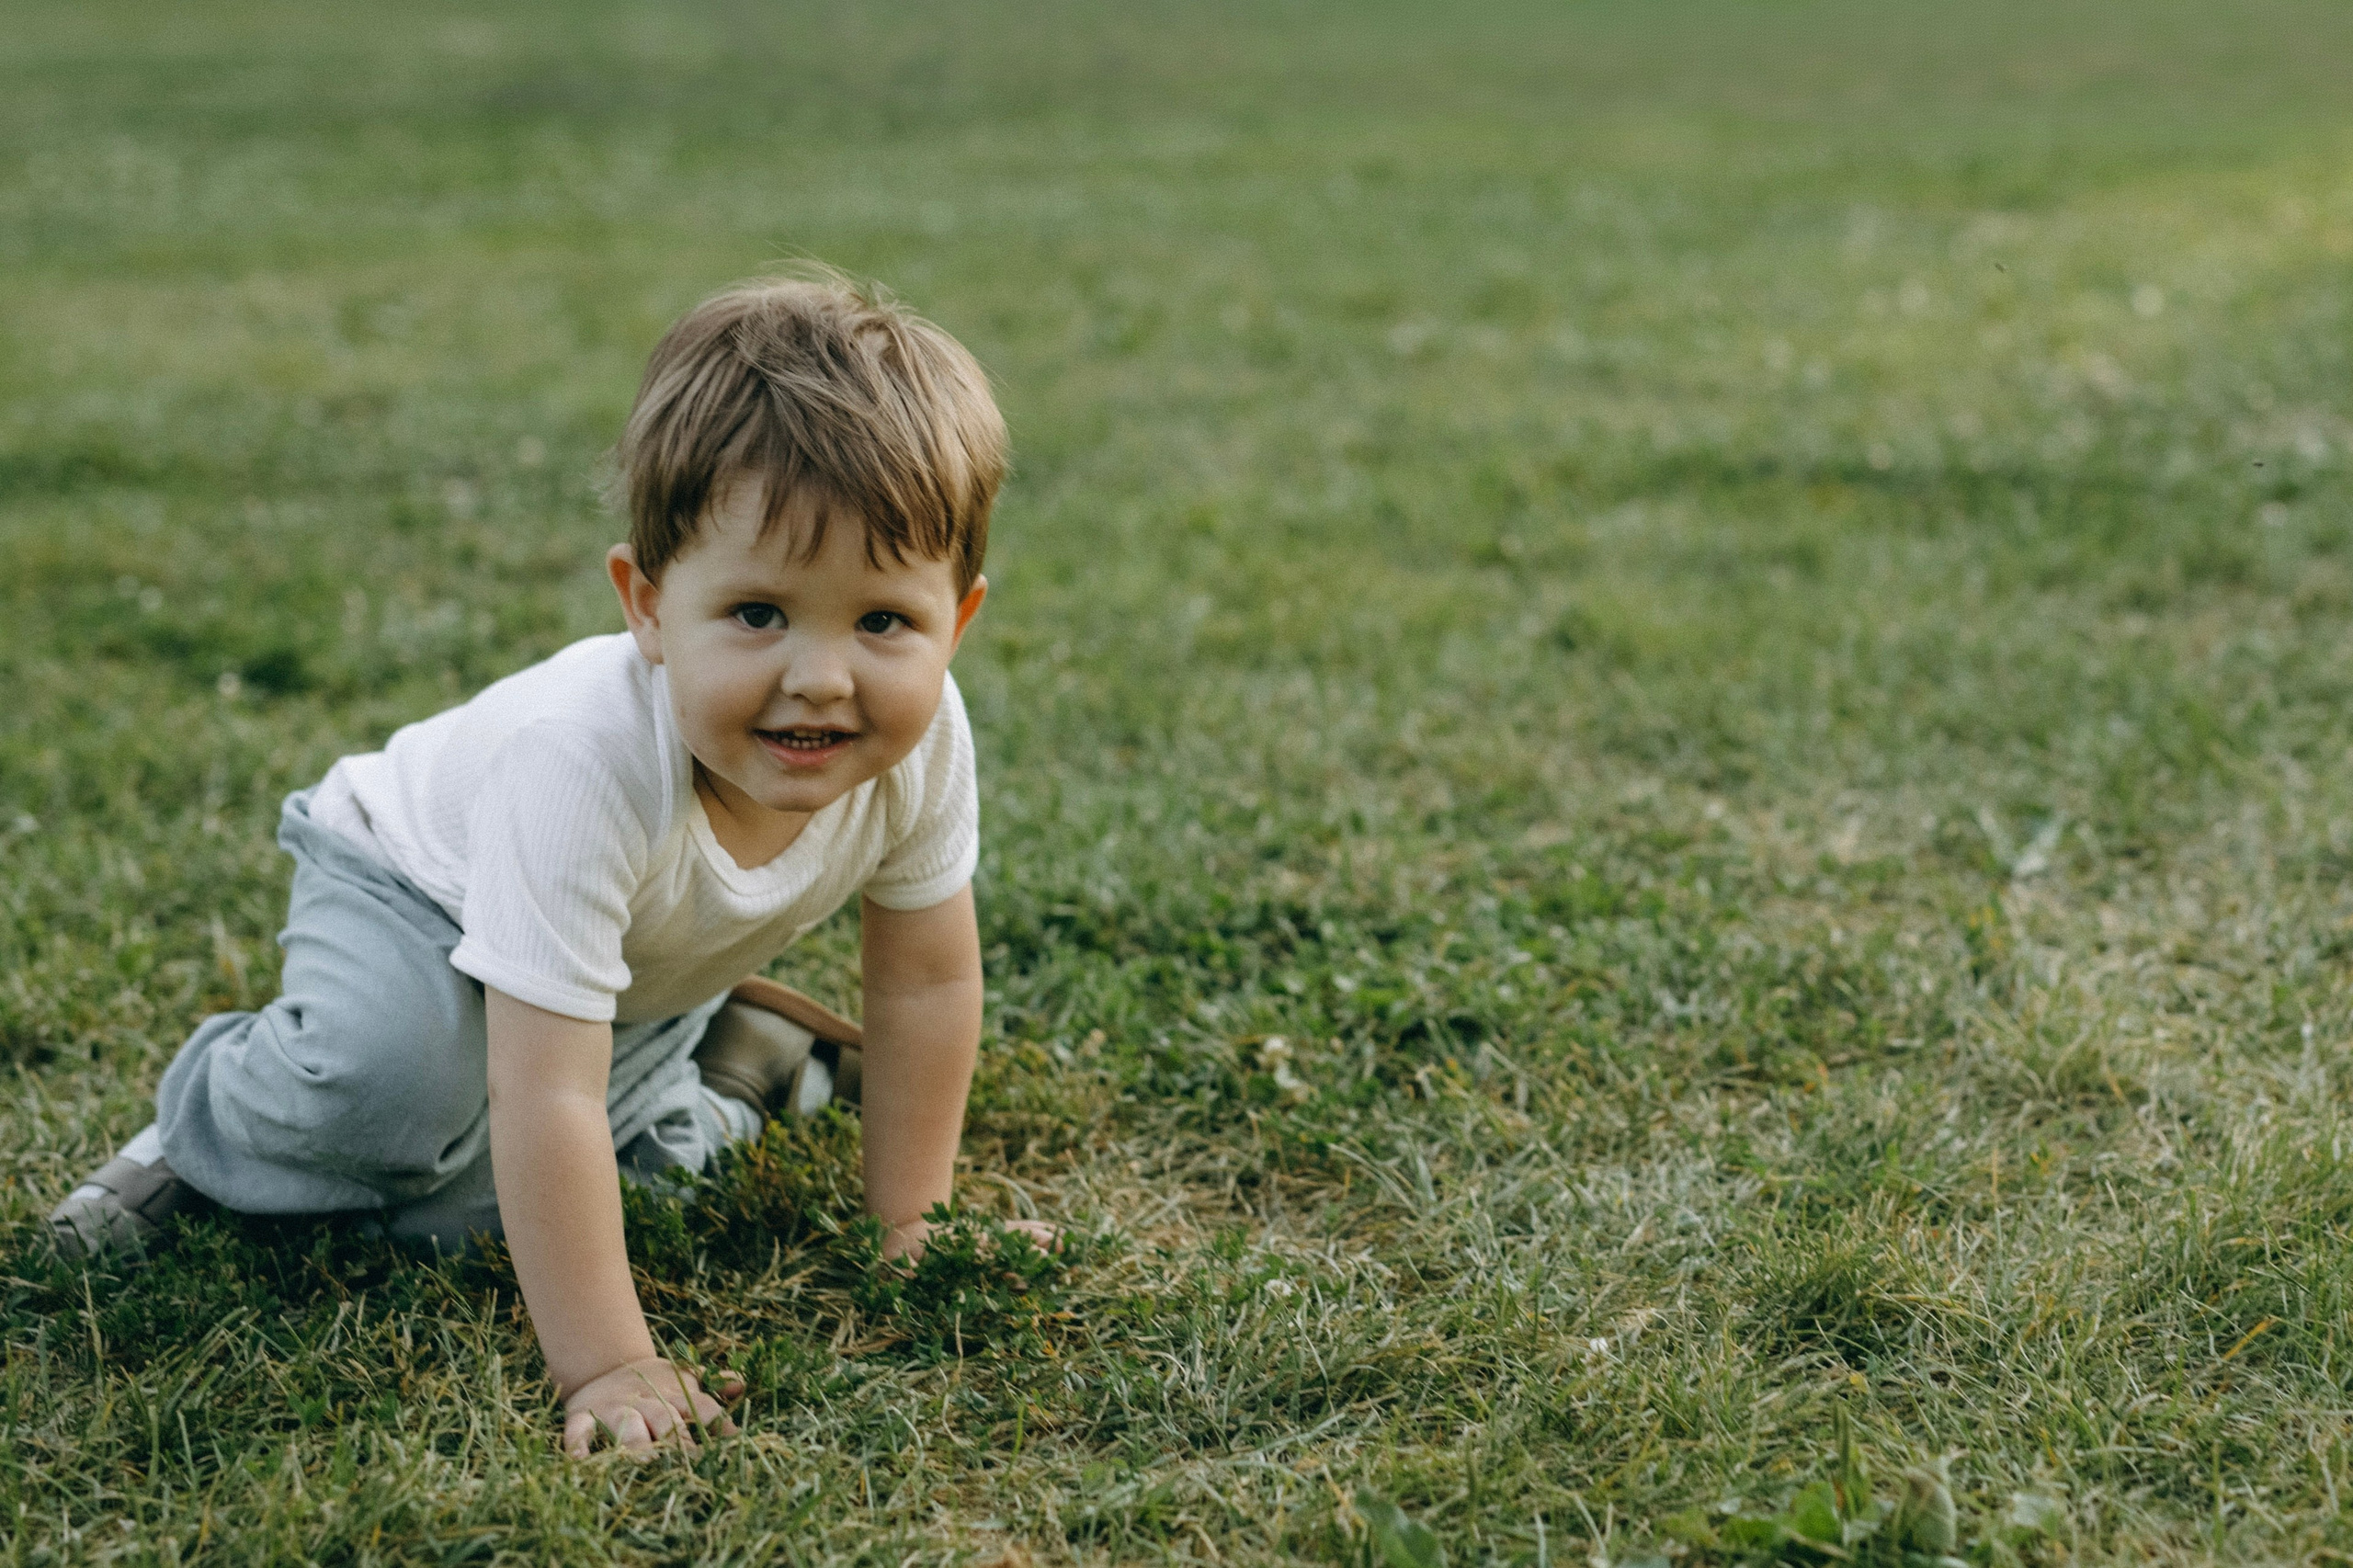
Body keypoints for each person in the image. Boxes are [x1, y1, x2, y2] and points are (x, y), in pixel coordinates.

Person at [47, 273, 1053, 1457]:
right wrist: (610, 1364)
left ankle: (737, 1059)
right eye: (759, 614)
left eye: (882, 621)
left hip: (626, 974)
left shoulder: (925, 744)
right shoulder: (577, 763)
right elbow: (547, 1093)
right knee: (394, 1097)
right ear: (647, 605)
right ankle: (216, 1120)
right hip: (412, 889)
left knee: (484, 1213)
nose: (822, 676)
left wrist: (914, 1223)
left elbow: (925, 983)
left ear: (959, 621)